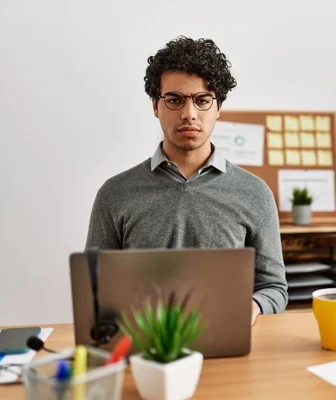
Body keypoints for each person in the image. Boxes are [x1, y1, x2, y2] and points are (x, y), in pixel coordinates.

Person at [85, 36, 288, 324]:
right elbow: (93, 289)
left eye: (202, 100)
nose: (189, 114)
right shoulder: (115, 194)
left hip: (228, 345)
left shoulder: (254, 193)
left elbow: (274, 288)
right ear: (155, 106)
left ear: (218, 108)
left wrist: (253, 306)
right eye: (175, 100)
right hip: (146, 351)